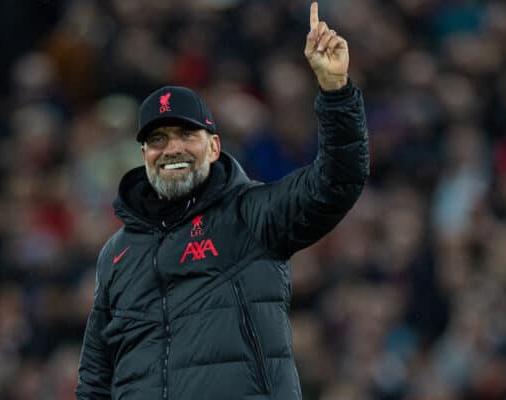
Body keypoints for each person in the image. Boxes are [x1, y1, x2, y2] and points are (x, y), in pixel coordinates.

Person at [76, 2, 369, 399]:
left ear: (214, 147)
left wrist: (336, 93)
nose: (171, 149)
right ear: (143, 153)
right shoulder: (117, 253)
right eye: (157, 140)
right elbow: (95, 378)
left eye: (185, 135)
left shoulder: (249, 213)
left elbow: (337, 181)